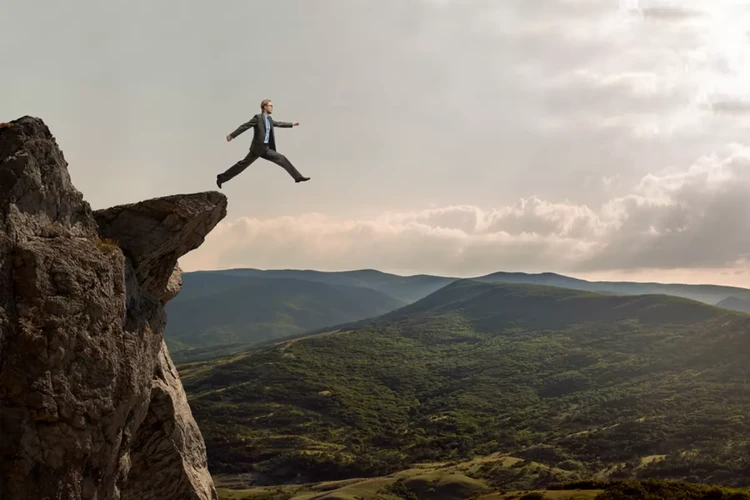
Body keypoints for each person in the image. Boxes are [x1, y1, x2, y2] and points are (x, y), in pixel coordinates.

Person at [217, 99, 310, 188]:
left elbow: (279, 123)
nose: (272, 107)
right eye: (270, 106)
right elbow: (244, 126)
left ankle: (297, 177)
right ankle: (221, 178)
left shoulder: (269, 119)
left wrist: (292, 124)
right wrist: (232, 136)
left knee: (282, 158)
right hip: (257, 148)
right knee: (242, 165)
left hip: (266, 149)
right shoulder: (258, 118)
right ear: (264, 107)